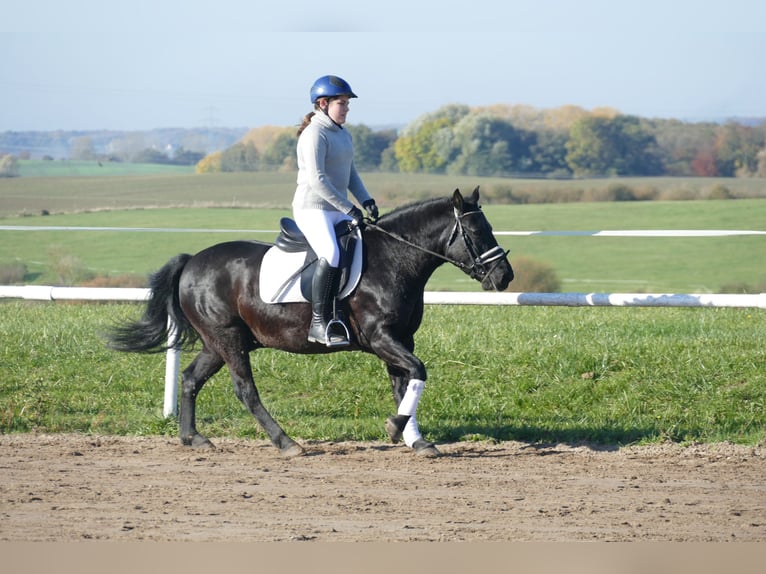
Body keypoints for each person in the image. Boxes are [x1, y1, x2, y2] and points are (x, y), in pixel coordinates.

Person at [292, 74, 379, 347]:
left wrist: (366, 200)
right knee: (330, 253)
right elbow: (318, 180)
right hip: (312, 208)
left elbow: (350, 172)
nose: (347, 108)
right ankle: (319, 323)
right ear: (323, 103)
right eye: (342, 103)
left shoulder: (343, 133)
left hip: (336, 208)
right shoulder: (314, 134)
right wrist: (349, 207)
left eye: (347, 103)